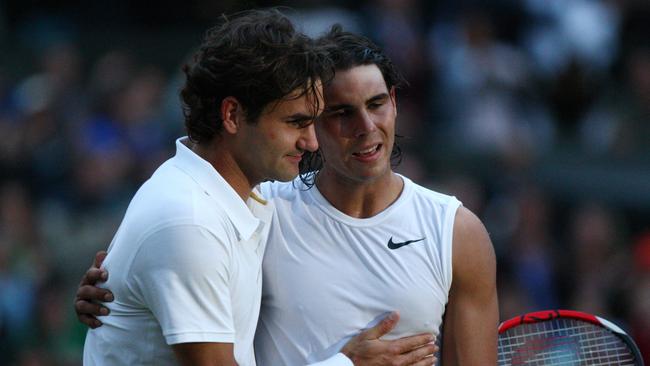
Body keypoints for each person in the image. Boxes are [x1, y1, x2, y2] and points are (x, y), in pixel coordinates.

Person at [76, 22, 496, 365]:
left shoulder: (456, 233)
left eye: (376, 103)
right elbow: (175, 240)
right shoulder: (259, 208)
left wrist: (121, 299)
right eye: (338, 113)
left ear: (395, 103)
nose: (366, 127)